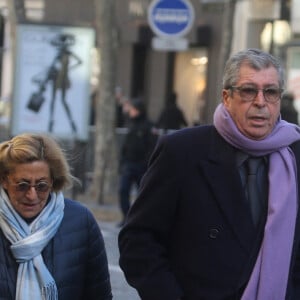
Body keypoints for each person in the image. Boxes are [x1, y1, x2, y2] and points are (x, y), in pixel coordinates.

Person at [118, 48, 300, 299]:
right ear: (226, 97)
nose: (260, 102)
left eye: (270, 92)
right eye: (248, 91)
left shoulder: (295, 155)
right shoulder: (182, 151)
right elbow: (137, 242)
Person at [0, 133, 113, 300]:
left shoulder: (81, 221)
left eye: (42, 186)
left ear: (53, 181)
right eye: (22, 185)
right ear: (4, 180)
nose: (32, 195)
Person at [118, 98, 157, 226]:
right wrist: (122, 161)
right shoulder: (130, 124)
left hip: (142, 166)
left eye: (133, 109)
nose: (131, 112)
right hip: (128, 165)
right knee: (123, 190)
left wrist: (147, 164)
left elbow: (152, 147)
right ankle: (127, 217)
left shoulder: (149, 126)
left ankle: (140, 219)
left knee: (143, 195)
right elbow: (125, 145)